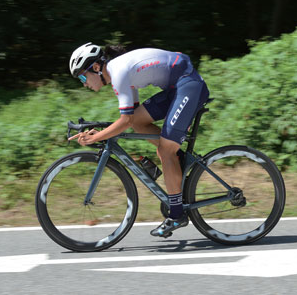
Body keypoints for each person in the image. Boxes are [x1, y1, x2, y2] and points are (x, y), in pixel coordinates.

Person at [67, 42, 209, 237]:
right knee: (140, 124)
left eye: (83, 76)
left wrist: (97, 137)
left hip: (188, 84)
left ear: (97, 67)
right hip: (177, 86)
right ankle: (179, 159)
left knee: (166, 151)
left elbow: (125, 120)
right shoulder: (118, 70)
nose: (84, 83)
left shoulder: (118, 73)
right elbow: (132, 118)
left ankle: (177, 215)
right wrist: (99, 131)